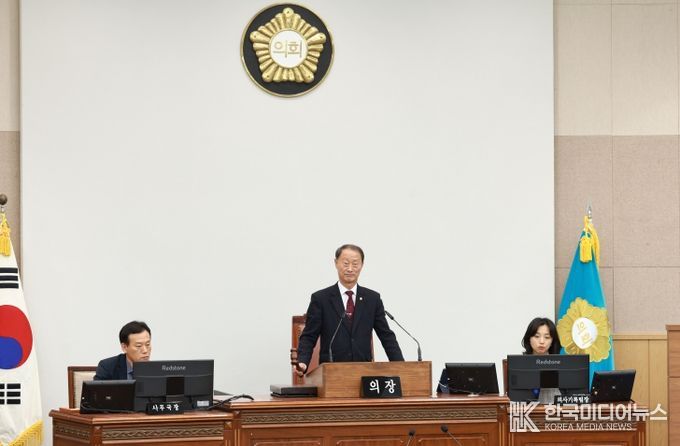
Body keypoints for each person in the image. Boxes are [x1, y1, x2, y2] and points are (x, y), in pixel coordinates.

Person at [295, 244, 404, 376]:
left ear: (362, 265)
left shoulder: (372, 299)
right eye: (346, 263)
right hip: (332, 373)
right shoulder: (321, 299)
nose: (350, 269)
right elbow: (309, 336)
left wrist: (401, 366)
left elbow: (386, 336)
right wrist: (302, 362)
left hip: (364, 373)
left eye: (355, 264)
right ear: (336, 263)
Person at [521, 317, 562, 403]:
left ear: (552, 341)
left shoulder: (560, 364)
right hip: (525, 409)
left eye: (547, 337)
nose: (542, 341)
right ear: (529, 339)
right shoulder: (520, 364)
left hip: (553, 409)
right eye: (537, 336)